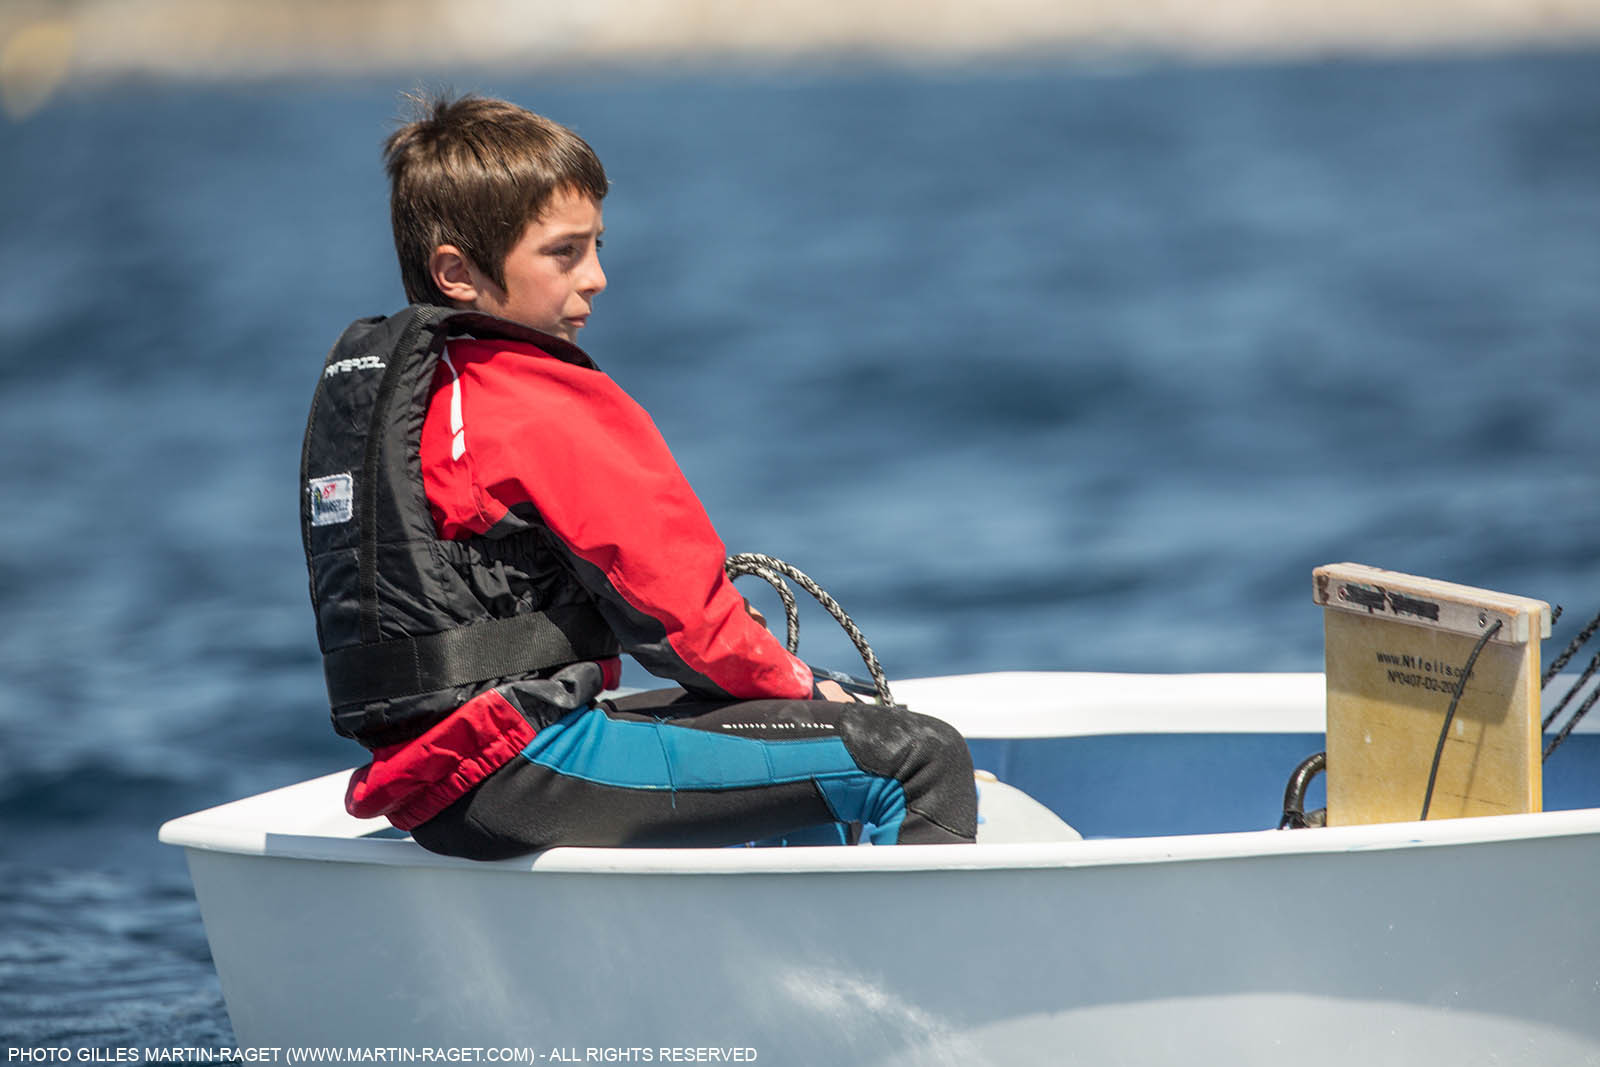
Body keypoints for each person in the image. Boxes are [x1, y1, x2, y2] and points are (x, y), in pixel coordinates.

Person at [299, 92, 976, 859]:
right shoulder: (538, 398)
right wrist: (800, 679)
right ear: (456, 272)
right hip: (527, 761)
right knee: (914, 757)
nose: (596, 277)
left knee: (802, 742)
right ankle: (900, 941)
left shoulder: (421, 396)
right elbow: (685, 618)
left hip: (442, 780)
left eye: (596, 245)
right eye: (563, 252)